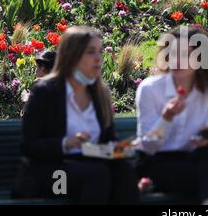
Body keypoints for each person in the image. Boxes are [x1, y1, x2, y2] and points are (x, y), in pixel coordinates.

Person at [14, 26, 138, 204]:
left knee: (123, 169)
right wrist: (66, 143)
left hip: (89, 167)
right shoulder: (46, 92)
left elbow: (106, 143)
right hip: (52, 177)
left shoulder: (99, 93)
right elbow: (28, 147)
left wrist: (130, 148)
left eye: (99, 52)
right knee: (97, 174)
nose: (98, 59)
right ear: (71, 57)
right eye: (90, 52)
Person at [135, 26, 208, 205]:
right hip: (158, 159)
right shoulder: (150, 88)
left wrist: (204, 136)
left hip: (194, 159)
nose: (176, 60)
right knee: (204, 176)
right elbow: (148, 146)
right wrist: (166, 118)